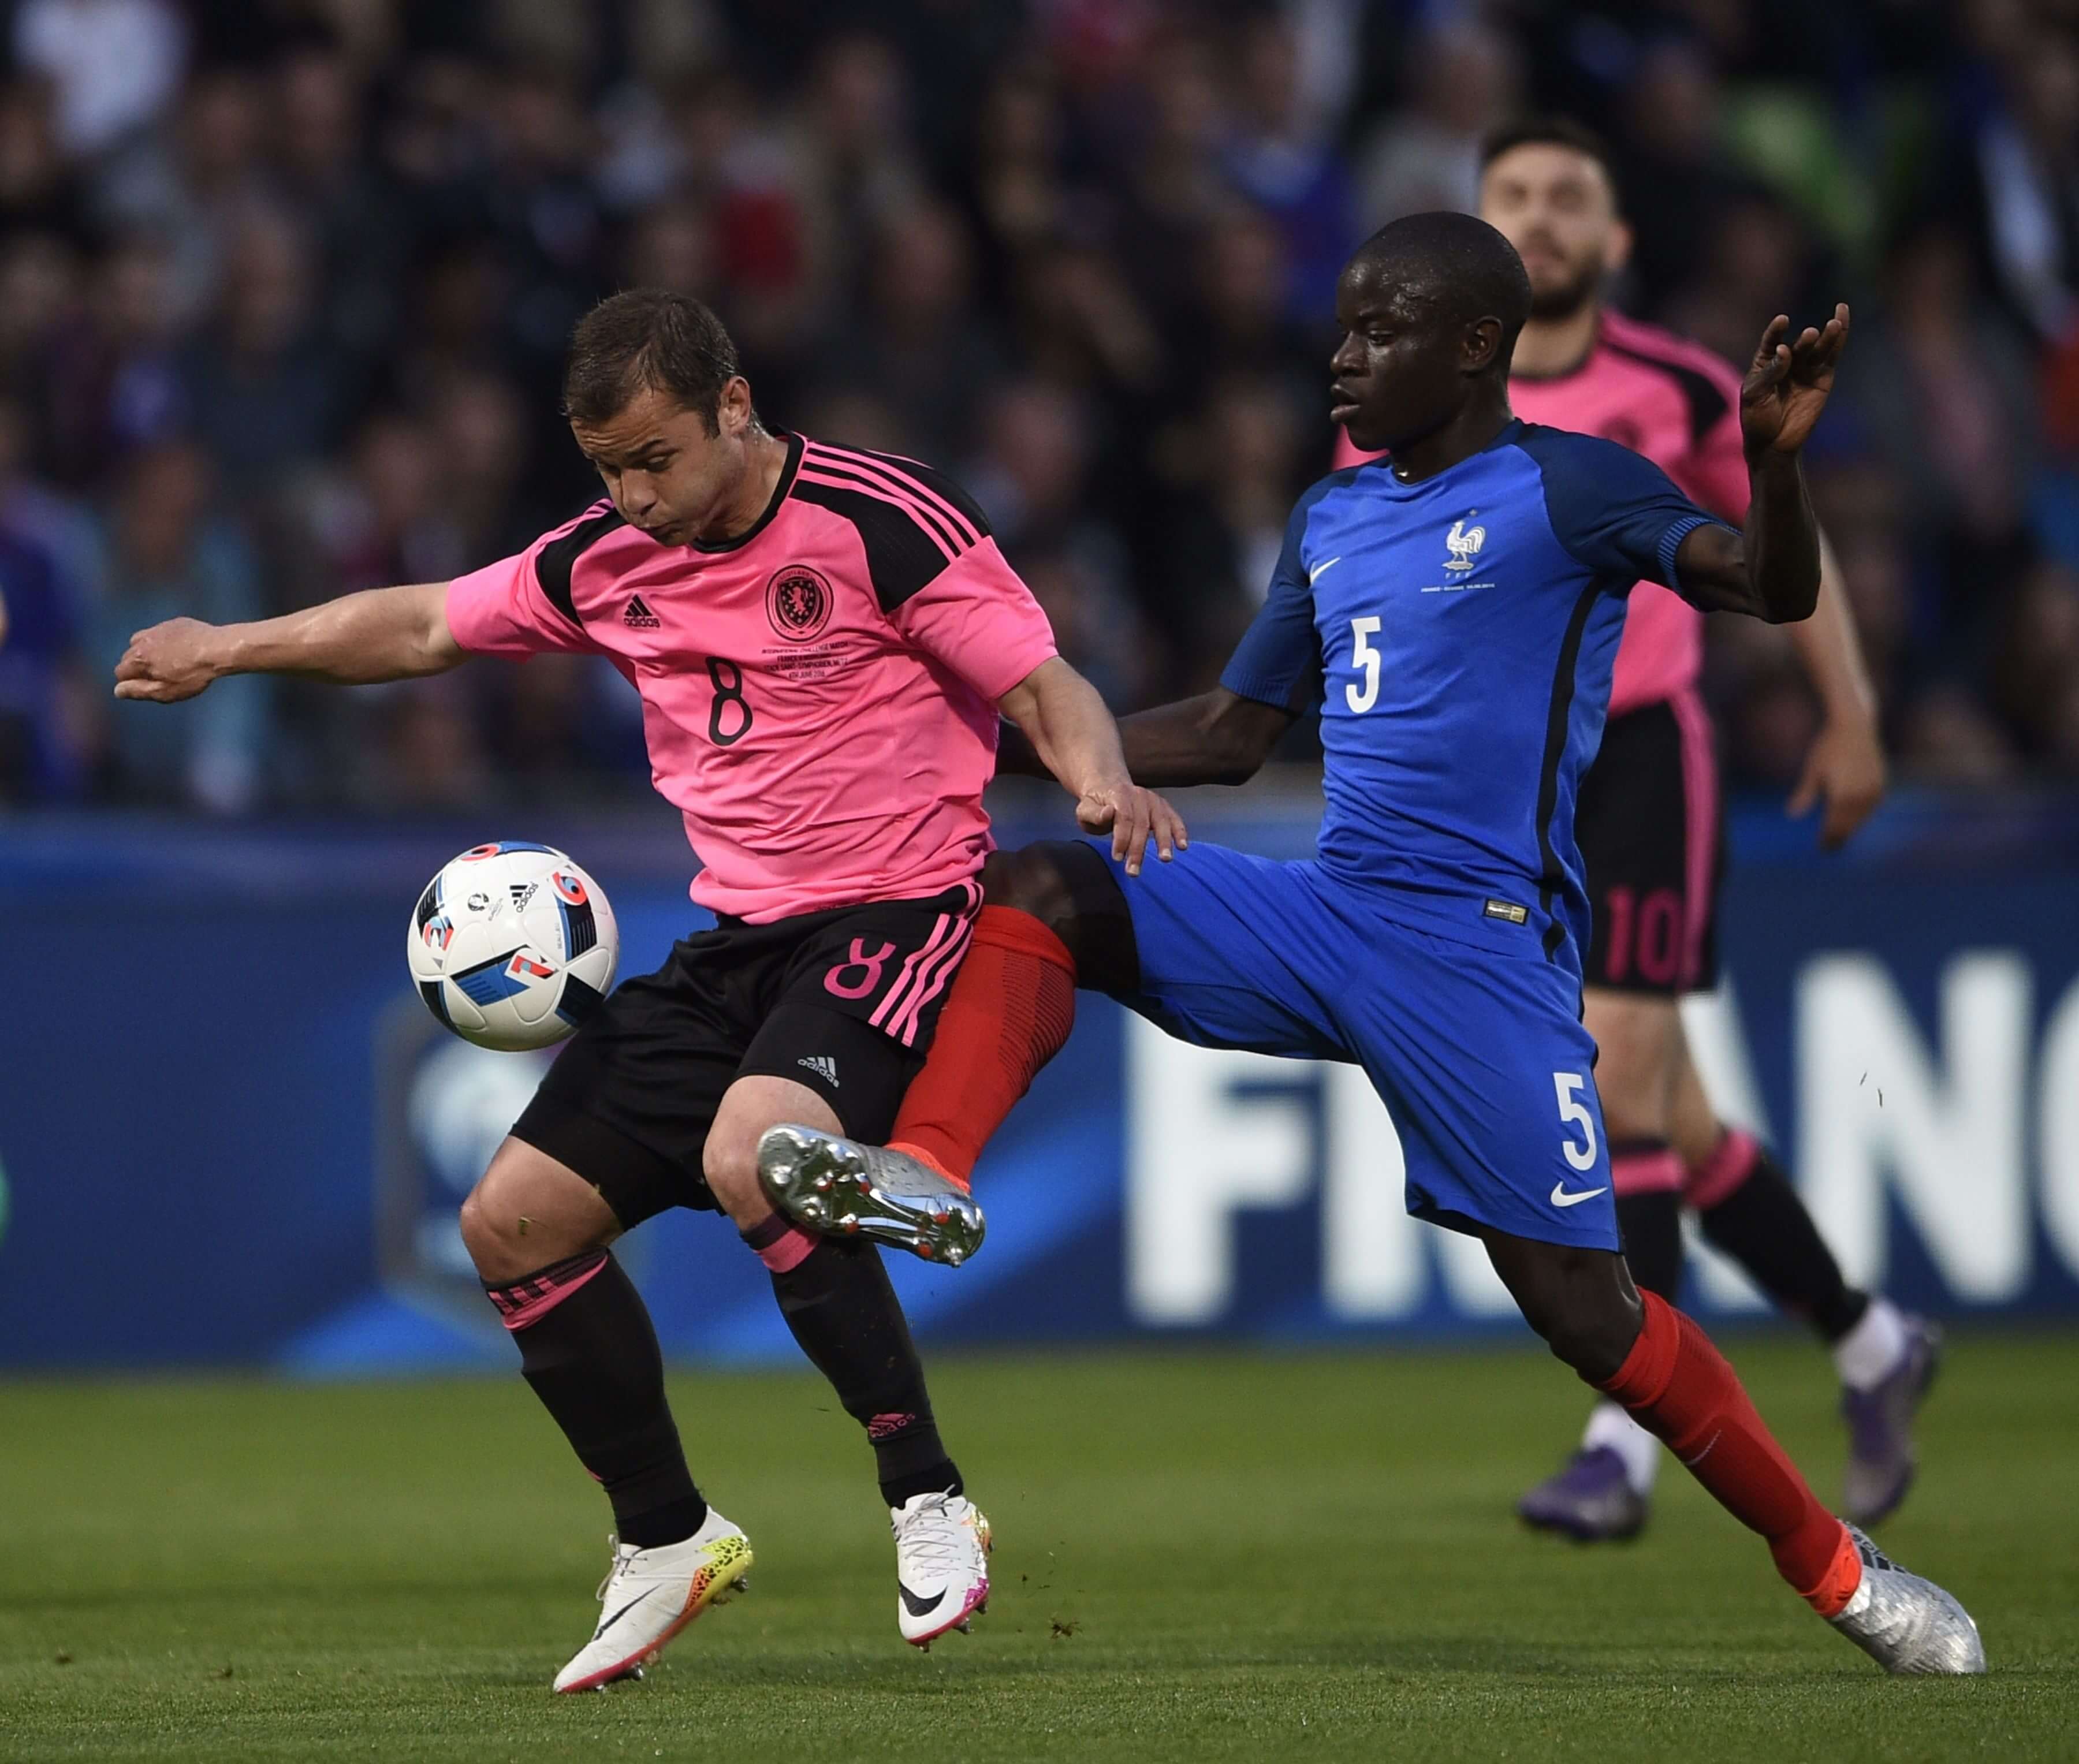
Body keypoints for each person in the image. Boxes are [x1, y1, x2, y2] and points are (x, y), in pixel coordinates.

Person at [757, 214, 1985, 1675]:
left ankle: (1841, 1571)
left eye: (1378, 331)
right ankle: (930, 1171)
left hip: (1479, 954)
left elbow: (1769, 590)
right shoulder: (1331, 515)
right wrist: (994, 743)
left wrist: (1772, 464)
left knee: (1590, 1315)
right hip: (1332, 910)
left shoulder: (1573, 485)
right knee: (1047, 885)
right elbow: (1234, 732)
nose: (1340, 359)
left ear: (1475, 346)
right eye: (1342, 327)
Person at [110, 288, 1183, 1691]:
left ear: (734, 406)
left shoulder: (879, 520)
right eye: (608, 469)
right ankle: (666, 1535)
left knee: (756, 1155)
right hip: (733, 943)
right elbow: (424, 625)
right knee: (509, 1223)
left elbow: (1043, 686)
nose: (633, 497)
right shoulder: (607, 557)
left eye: (655, 460)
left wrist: (1100, 777)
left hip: (896, 910)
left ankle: (927, 1494)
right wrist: (225, 645)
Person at [1448, 120, 1929, 1541]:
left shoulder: (1677, 387)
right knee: (1680, 1119)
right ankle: (1872, 1341)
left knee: (1617, 1077)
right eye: (1515, 195)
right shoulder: (1420, 401)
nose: (1542, 217)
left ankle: (1624, 1440)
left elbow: (1784, 545)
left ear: (1617, 239)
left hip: (1645, 757)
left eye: (1569, 198)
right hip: (1507, 786)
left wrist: (1849, 712)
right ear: (1475, 227)